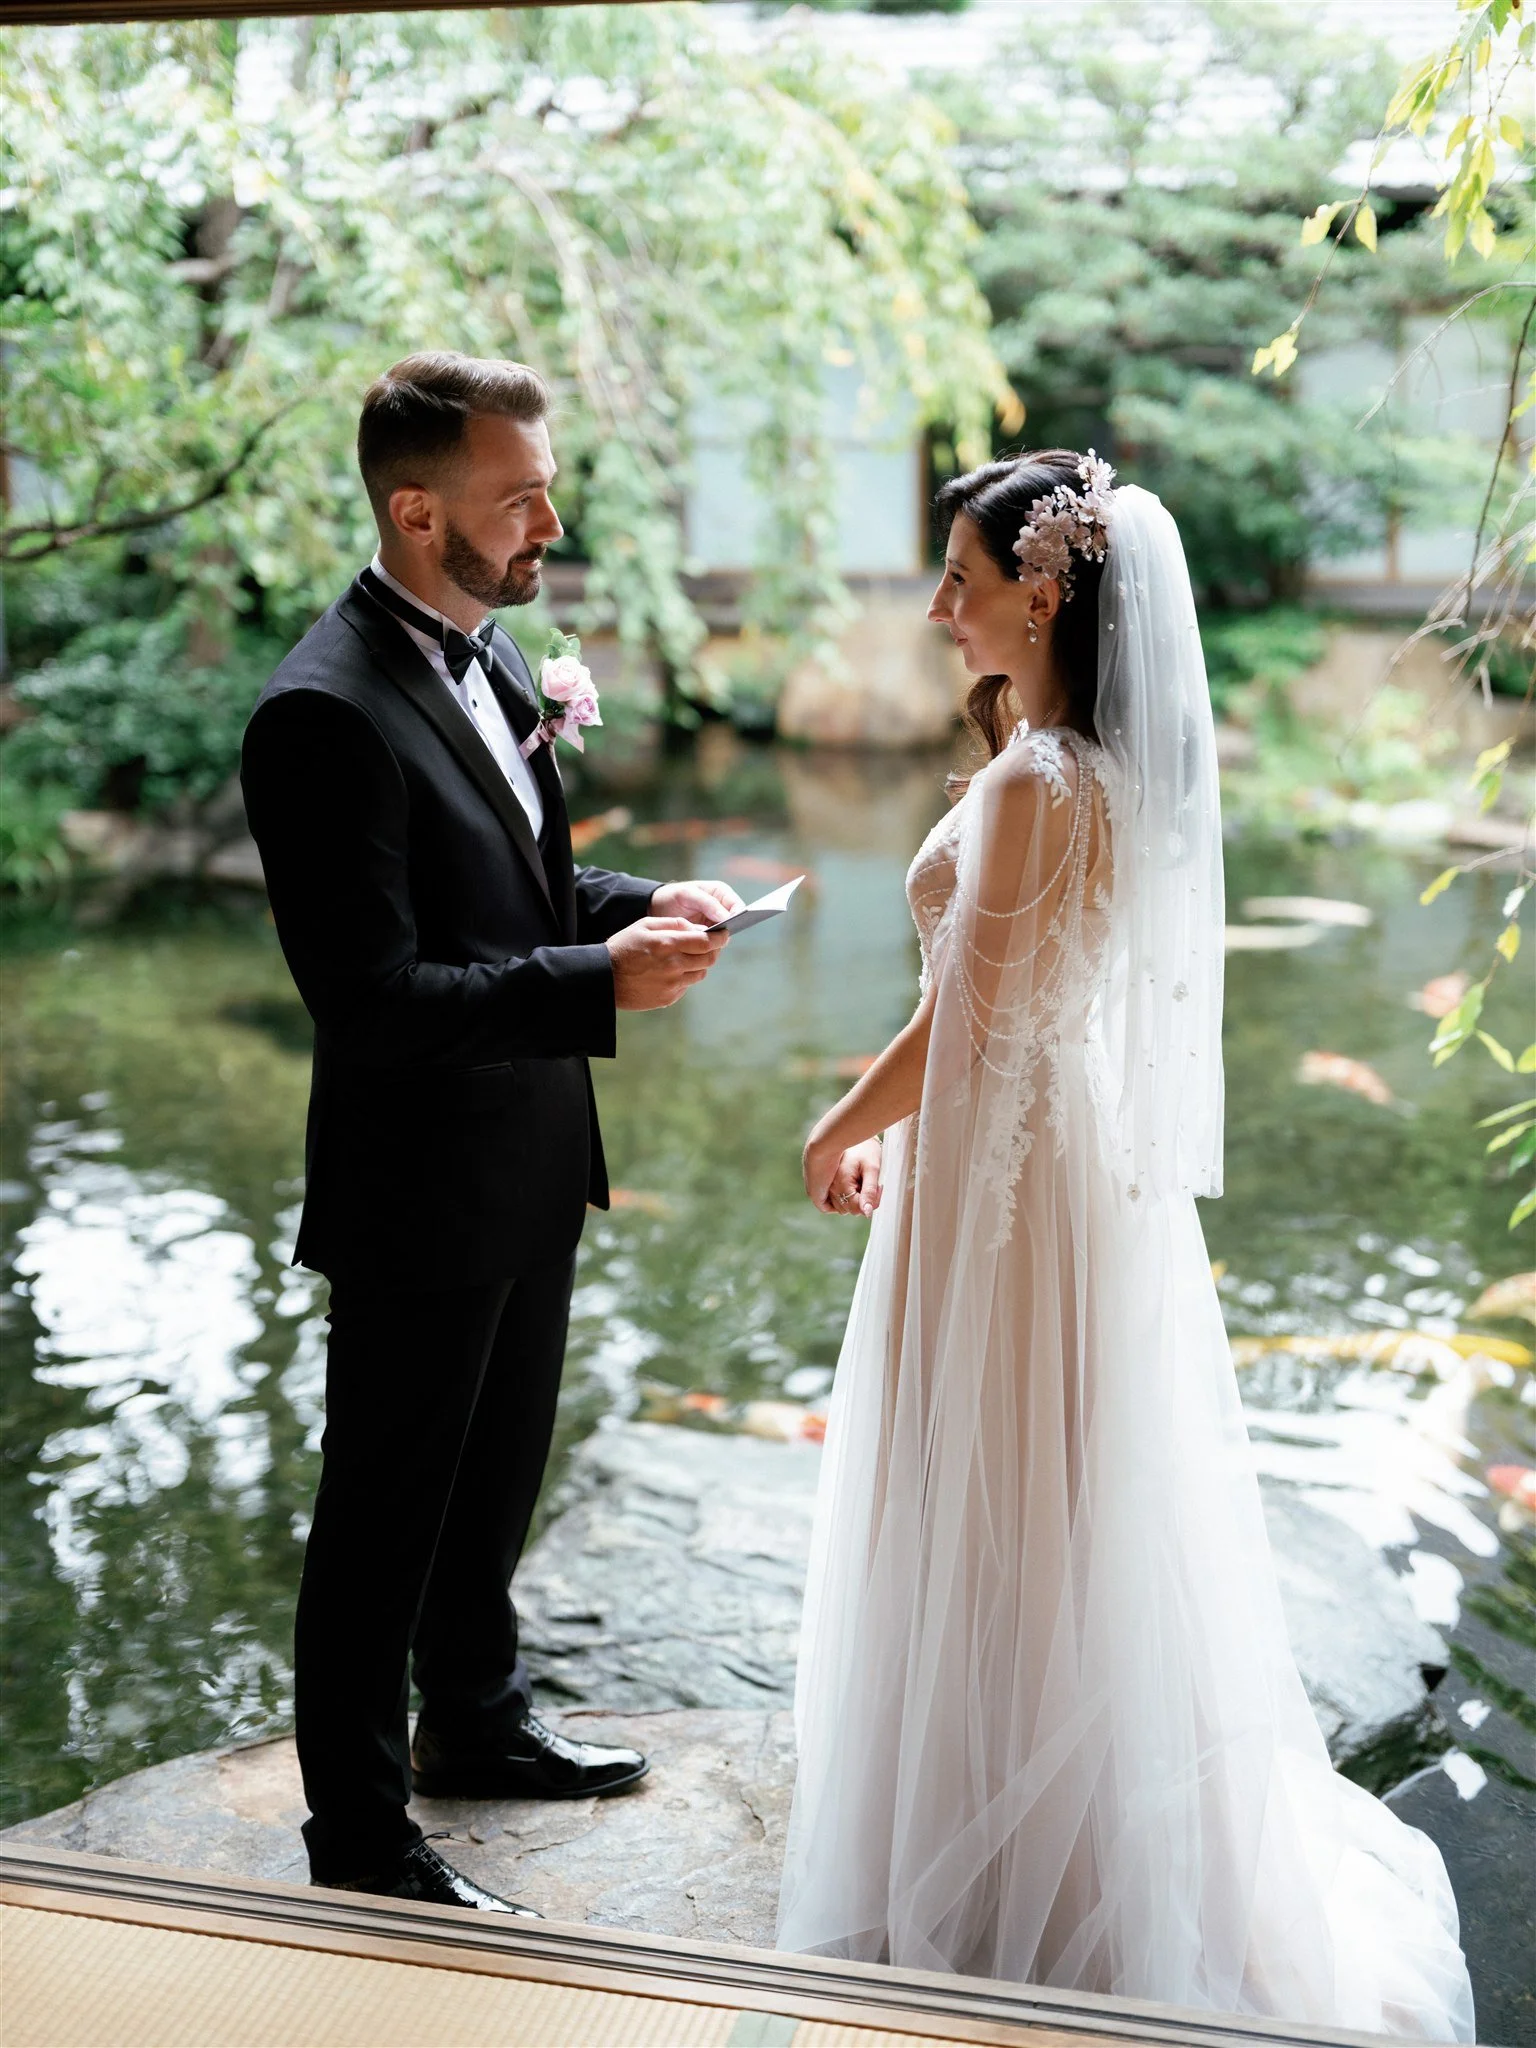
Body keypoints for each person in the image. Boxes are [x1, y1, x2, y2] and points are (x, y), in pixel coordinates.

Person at [775, 451, 1475, 2037]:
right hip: (1050, 1164)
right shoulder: (1080, 766)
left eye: (958, 576)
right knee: (1046, 1502)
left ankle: (1032, 1877)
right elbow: (996, 1014)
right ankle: (1031, 1837)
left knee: (999, 1499)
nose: (939, 606)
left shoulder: (1034, 783)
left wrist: (845, 1122)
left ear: (1043, 588)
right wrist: (897, 1116)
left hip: (1002, 1187)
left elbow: (967, 1026)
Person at [241, 351, 744, 1912]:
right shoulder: (319, 714)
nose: (550, 518)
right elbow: (375, 996)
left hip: (533, 1154)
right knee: (382, 1515)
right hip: (414, 1184)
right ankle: (363, 1840)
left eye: (546, 485)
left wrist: (633, 905)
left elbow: (508, 898)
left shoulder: (500, 657)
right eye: (517, 495)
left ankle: (476, 1723)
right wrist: (598, 976)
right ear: (413, 511)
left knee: (497, 1479)